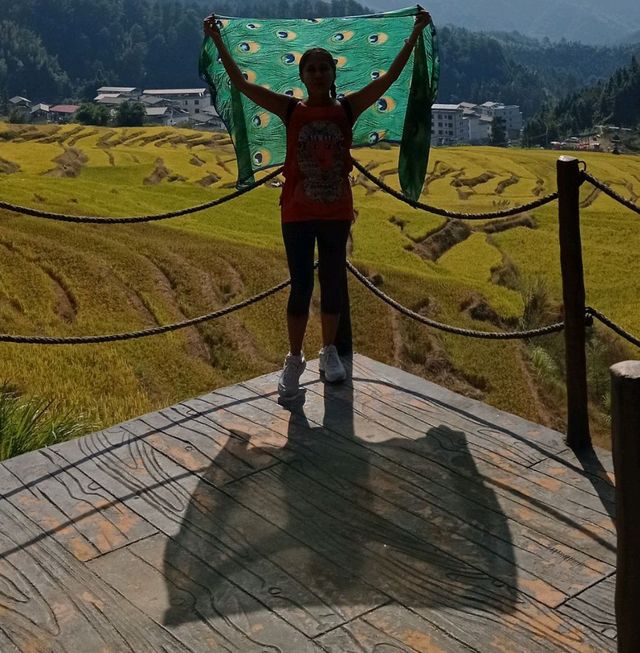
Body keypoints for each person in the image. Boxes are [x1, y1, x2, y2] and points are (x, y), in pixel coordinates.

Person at [203, 9, 431, 399]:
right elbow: (241, 83)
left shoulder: (348, 109)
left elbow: (390, 78)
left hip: (335, 212)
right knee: (300, 287)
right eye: (312, 69)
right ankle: (294, 359)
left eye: (325, 68)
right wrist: (218, 39)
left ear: (333, 74)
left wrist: (414, 34)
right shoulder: (292, 110)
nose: (318, 74)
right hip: (296, 211)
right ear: (302, 76)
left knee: (333, 284)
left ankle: (329, 353)